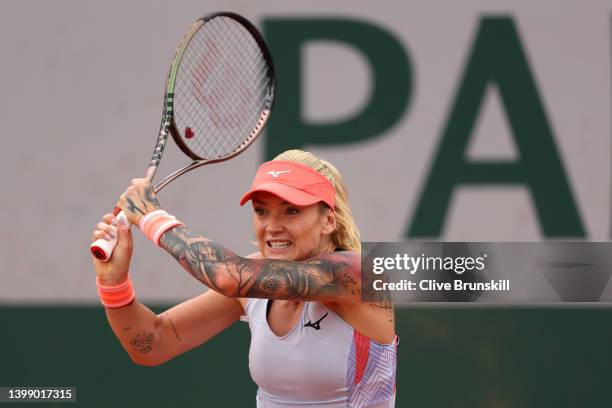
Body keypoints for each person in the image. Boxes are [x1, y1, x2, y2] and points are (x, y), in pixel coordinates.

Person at [92, 150, 398, 407]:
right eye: (262, 212)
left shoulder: (358, 275)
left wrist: (150, 216)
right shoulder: (251, 280)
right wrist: (114, 283)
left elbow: (227, 276)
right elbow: (153, 344)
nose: (272, 226)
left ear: (329, 220)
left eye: (291, 211)